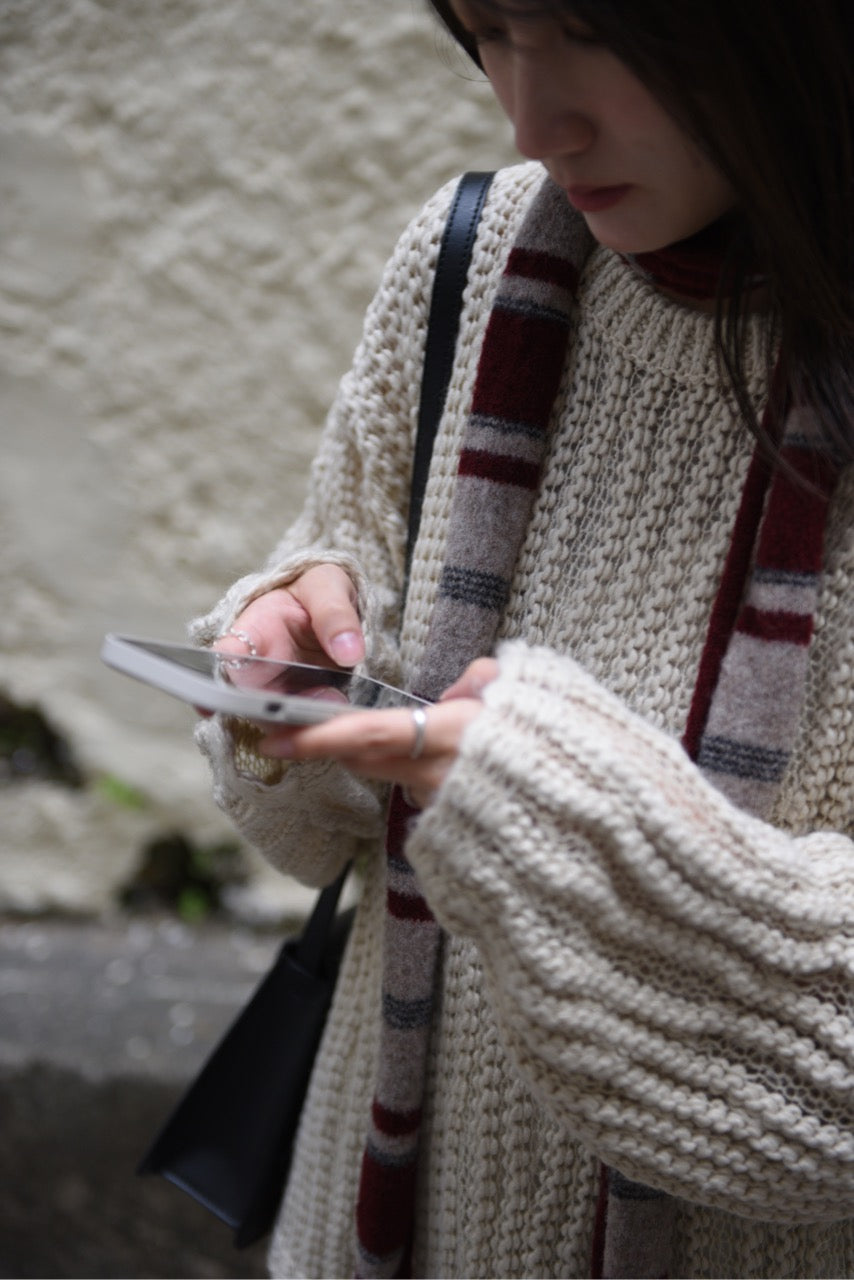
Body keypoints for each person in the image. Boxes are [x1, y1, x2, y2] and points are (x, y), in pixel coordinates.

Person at [191, 2, 854, 1276]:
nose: (530, 115)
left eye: (598, 25)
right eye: (489, 24)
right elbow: (313, 813)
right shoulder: (469, 256)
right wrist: (296, 681)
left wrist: (552, 817)